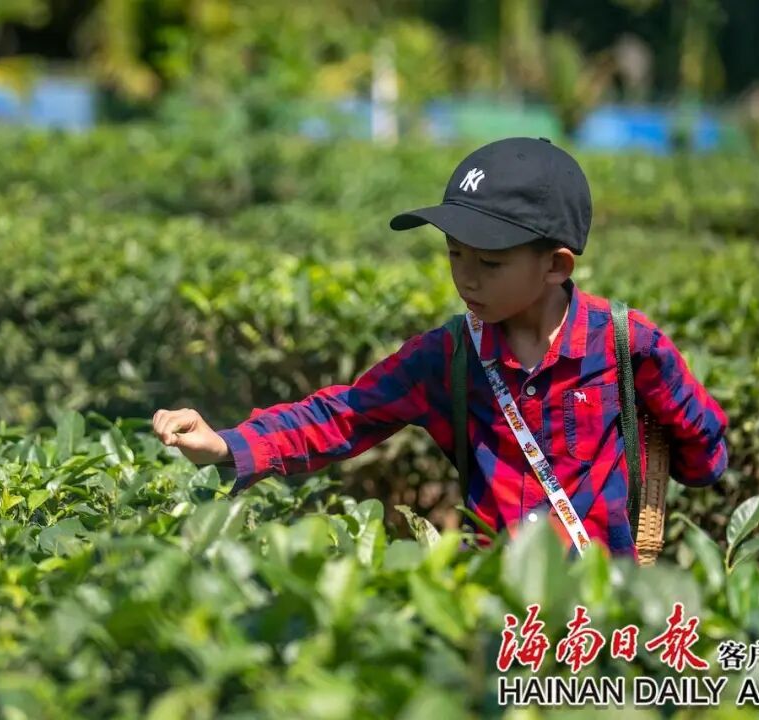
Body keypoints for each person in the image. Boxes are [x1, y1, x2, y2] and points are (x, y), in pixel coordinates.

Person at [150, 136, 729, 561]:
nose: (467, 278)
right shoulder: (449, 356)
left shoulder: (628, 343)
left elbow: (701, 439)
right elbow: (344, 415)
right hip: (491, 597)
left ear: (556, 266)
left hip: (605, 607)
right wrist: (226, 445)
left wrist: (690, 467)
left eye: (490, 262)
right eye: (455, 254)